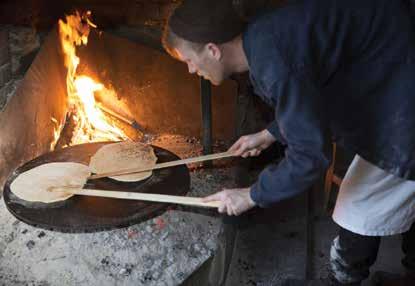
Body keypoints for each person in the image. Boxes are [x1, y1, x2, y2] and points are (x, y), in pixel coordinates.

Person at [162, 0, 415, 285]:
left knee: (359, 206)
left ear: (212, 50)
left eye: (188, 61)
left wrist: (251, 195)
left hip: (403, 93)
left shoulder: (275, 61)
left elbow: (310, 156)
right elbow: (312, 91)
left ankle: (344, 278)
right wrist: (270, 133)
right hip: (390, 68)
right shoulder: (262, 34)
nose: (191, 71)